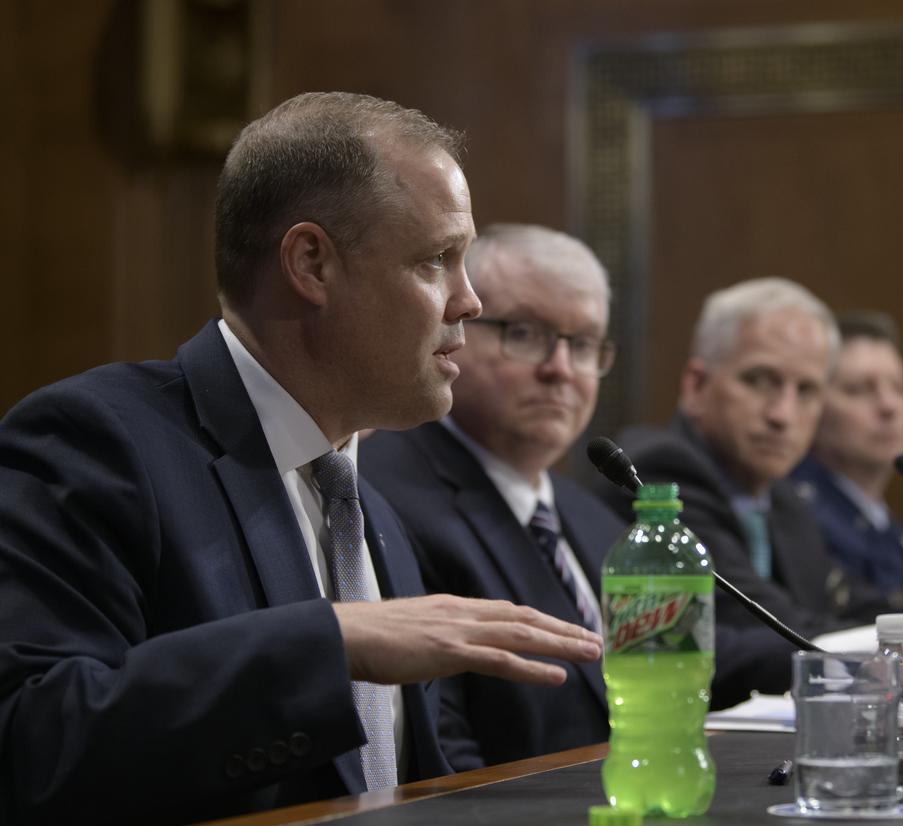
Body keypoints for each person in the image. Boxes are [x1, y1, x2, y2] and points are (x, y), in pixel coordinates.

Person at [0, 93, 601, 824]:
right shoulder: (98, 441)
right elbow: (33, 741)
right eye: (436, 260)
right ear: (312, 263)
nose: (469, 301)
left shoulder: (370, 508)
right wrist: (334, 641)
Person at [362, 225, 797, 768]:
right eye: (525, 333)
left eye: (584, 344)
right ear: (457, 330)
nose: (561, 370)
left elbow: (668, 653)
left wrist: (851, 657)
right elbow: (439, 752)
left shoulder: (583, 510)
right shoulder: (390, 497)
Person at [596, 278, 903, 664]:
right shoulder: (659, 473)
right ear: (696, 386)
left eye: (806, 391)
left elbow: (854, 603)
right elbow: (766, 623)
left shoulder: (784, 498)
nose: (782, 415)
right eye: (759, 381)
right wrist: (902, 647)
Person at [790, 312, 903, 620]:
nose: (889, 406)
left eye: (899, 388)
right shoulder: (800, 514)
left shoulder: (884, 522)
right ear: (812, 403)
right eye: (858, 389)